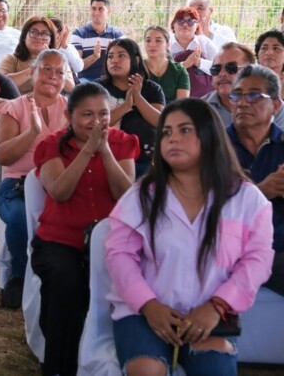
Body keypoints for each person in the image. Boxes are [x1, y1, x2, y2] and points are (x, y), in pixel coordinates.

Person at [106, 97, 274, 376]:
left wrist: (217, 306)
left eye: (185, 130)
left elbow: (258, 260)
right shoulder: (142, 195)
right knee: (147, 370)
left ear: (210, 136)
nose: (173, 139)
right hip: (144, 312)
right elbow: (118, 255)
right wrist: (148, 305)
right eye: (166, 132)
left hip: (211, 314)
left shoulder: (246, 198)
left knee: (215, 370)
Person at [32, 82, 137, 376]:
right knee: (67, 281)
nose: (97, 122)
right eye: (87, 115)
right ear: (69, 116)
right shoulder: (51, 145)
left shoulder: (122, 142)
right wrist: (87, 151)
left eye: (103, 114)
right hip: (60, 239)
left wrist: (105, 152)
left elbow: (126, 195)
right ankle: (59, 367)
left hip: (111, 240)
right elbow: (59, 191)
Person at [0, 49, 69, 309]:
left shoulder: (71, 110)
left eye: (59, 72)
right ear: (33, 72)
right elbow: (2, 156)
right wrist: (32, 133)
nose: (52, 76)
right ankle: (20, 275)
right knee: (19, 215)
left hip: (57, 185)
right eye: (46, 69)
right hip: (17, 186)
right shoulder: (14, 107)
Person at [225, 65, 284, 297]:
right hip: (229, 250)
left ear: (276, 105)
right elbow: (202, 208)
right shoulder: (214, 148)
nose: (242, 103)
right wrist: (261, 192)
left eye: (253, 95)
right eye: (237, 95)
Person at [96, 38, 165, 176]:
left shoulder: (151, 88)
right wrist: (126, 105)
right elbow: (96, 124)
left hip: (146, 159)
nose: (114, 61)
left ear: (136, 60)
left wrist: (137, 97)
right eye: (110, 56)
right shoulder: (98, 88)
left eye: (121, 55)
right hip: (108, 155)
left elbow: (160, 122)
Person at [0, 16, 74, 94]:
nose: (39, 37)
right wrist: (34, 68)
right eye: (34, 32)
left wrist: (51, 63)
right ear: (24, 37)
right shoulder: (12, 59)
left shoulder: (59, 60)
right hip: (18, 100)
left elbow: (71, 87)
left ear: (50, 40)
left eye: (45, 34)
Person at [71, 0, 125, 82]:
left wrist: (111, 55)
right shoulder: (78, 34)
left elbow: (123, 64)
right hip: (85, 81)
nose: (96, 12)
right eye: (94, 9)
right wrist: (95, 56)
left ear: (109, 11)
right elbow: (77, 67)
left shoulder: (118, 35)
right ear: (90, 9)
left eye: (100, 9)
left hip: (110, 81)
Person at [202, 42, 258, 127]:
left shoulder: (270, 107)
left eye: (231, 68)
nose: (222, 74)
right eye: (216, 69)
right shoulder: (198, 110)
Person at [169, 6, 219, 98]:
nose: (185, 24)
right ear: (173, 25)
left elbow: (219, 68)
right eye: (180, 21)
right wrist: (186, 64)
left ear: (197, 25)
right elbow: (161, 70)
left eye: (191, 21)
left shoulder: (204, 43)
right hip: (173, 98)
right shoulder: (166, 44)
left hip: (205, 99)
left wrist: (199, 62)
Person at [143, 26, 189, 103]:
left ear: (168, 45)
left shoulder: (179, 71)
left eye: (158, 40)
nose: (152, 44)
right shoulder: (137, 68)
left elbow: (182, 106)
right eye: (148, 40)